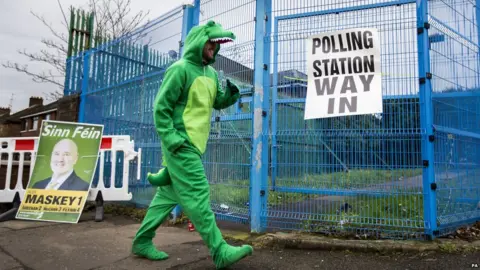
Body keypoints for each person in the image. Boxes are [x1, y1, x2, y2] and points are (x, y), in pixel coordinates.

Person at [131, 20, 253, 269]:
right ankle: (219, 250)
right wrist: (173, 139)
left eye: (216, 44)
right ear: (199, 41)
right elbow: (161, 109)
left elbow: (216, 102)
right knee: (198, 193)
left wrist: (230, 93)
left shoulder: (209, 73)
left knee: (167, 195)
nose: (214, 47)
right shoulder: (180, 69)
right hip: (181, 143)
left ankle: (141, 241)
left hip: (195, 146)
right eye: (210, 42)